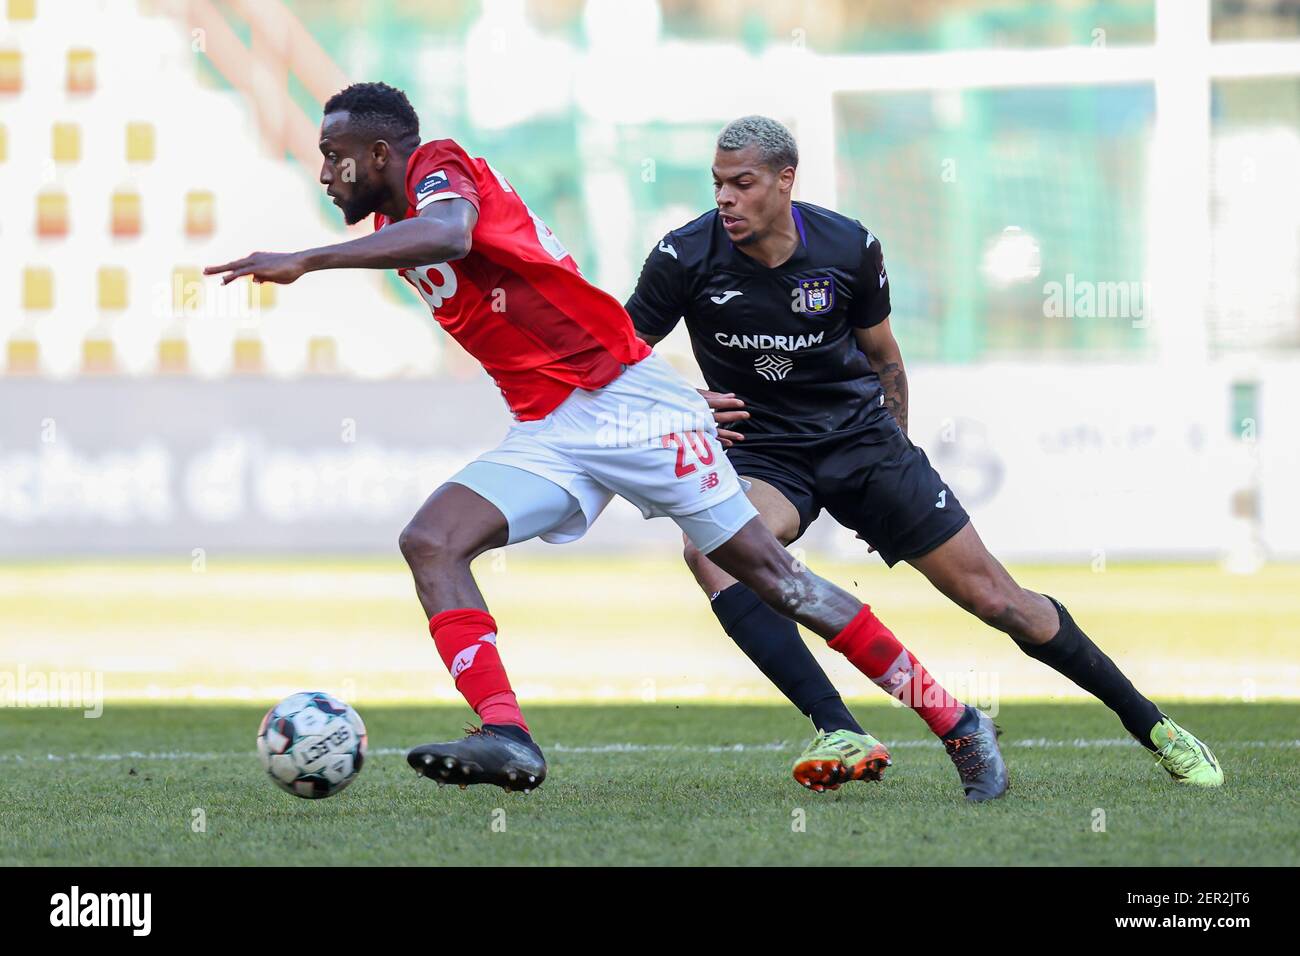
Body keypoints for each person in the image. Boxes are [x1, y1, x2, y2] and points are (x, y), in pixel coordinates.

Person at [206, 84, 1007, 801]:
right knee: (432, 541)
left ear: (380, 153)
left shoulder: (441, 169)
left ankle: (956, 721)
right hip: (553, 427)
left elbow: (451, 236)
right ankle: (508, 737)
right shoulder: (393, 220)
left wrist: (308, 258)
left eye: (334, 157)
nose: (324, 175)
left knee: (778, 581)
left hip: (625, 408)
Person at [625, 115, 1223, 790]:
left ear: (785, 180)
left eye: (742, 183)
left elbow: (885, 359)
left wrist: (894, 456)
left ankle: (1156, 728)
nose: (725, 199)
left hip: (862, 443)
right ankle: (839, 727)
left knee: (1000, 602)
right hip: (764, 453)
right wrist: (683, 403)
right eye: (717, 185)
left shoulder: (848, 247)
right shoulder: (683, 257)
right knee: (712, 553)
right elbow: (616, 358)